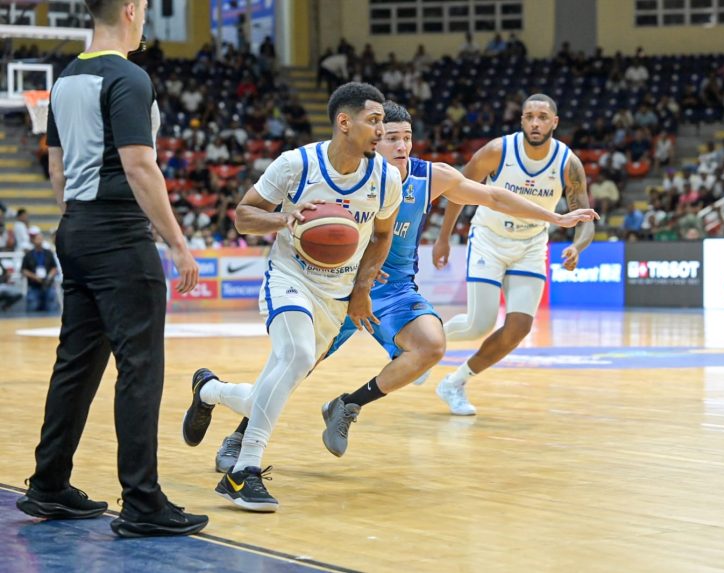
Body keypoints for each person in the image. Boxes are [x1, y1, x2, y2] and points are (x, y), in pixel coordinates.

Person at [209, 102, 598, 466]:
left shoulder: (430, 176)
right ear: (375, 139)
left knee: (432, 346)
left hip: (392, 289)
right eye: (392, 137)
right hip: (343, 284)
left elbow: (493, 195)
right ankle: (239, 435)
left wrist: (555, 218)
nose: (401, 145)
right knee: (296, 366)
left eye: (407, 137)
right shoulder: (354, 174)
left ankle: (348, 405)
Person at [16, 0, 207, 538]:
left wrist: (79, 221)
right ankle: (142, 501)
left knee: (75, 365)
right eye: (143, 7)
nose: (144, 17)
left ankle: (49, 483)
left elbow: (56, 168)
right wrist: (178, 244)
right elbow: (139, 165)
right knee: (140, 367)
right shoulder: (127, 76)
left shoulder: (65, 79)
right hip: (119, 233)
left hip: (76, 227)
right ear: (128, 10)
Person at [181, 82, 402, 512]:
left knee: (270, 391)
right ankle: (243, 472)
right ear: (344, 122)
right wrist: (283, 218)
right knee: (297, 355)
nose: (381, 130)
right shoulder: (296, 164)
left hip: (337, 295)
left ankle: (210, 390)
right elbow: (244, 216)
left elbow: (382, 235)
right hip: (290, 277)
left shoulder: (385, 178)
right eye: (374, 120)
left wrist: (361, 290)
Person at [431, 94, 595, 415]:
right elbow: (457, 189)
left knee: (518, 328)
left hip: (531, 244)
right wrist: (443, 237)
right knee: (479, 324)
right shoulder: (498, 150)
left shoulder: (568, 163)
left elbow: (585, 217)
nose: (535, 123)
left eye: (542, 117)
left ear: (554, 122)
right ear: (521, 120)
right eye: (529, 116)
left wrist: (577, 246)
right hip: (490, 239)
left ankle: (454, 382)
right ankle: (423, 346)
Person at [20, 233, 59, 312]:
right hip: (34, 286)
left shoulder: (48, 253)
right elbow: (23, 270)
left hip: (48, 285)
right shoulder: (28, 255)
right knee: (33, 307)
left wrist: (49, 277)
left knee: (51, 307)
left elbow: (54, 268)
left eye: (41, 239)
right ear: (33, 240)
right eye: (37, 239)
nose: (39, 241)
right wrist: (34, 277)